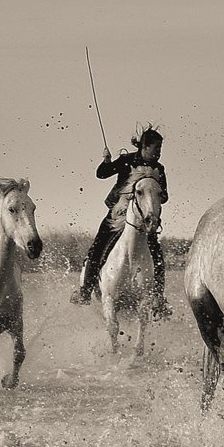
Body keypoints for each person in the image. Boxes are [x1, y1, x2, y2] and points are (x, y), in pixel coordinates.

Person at [72, 125, 170, 317]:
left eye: (160, 148)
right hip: (117, 215)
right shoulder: (127, 161)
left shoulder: (159, 169)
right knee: (97, 249)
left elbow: (164, 196)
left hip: (144, 221)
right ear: (145, 146)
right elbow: (102, 174)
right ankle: (85, 291)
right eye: (156, 148)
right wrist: (106, 161)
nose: (159, 152)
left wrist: (154, 194)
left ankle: (158, 299)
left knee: (157, 257)